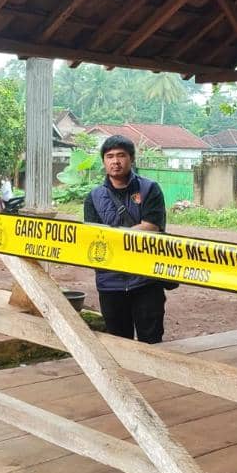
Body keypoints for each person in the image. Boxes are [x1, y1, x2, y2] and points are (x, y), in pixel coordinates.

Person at [82, 134, 169, 344]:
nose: (115, 161)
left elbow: (151, 227)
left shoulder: (149, 189)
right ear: (104, 161)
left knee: (152, 340)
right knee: (119, 343)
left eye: (121, 155)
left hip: (146, 279)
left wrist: (112, 238)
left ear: (131, 158)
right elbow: (94, 236)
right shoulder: (93, 198)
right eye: (110, 156)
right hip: (110, 282)